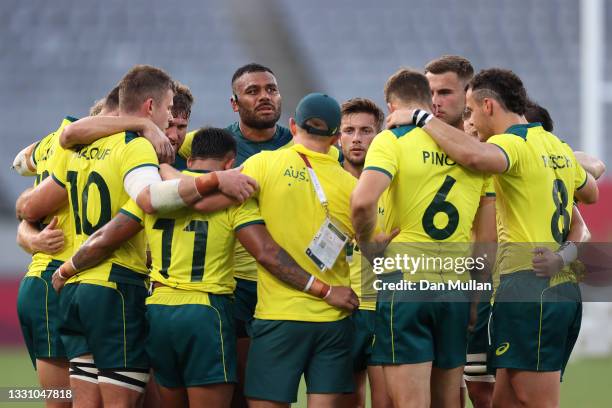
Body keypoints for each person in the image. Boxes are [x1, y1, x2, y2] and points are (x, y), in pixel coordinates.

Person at [16, 64, 256, 408]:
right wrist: (216, 182)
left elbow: (24, 165)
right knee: (83, 401)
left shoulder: (76, 144)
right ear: (148, 107)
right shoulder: (134, 147)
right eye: (168, 115)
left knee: (79, 400)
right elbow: (146, 201)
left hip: (72, 284)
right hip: (102, 282)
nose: (171, 131)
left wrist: (33, 231)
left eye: (180, 124)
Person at [386, 67, 598, 408]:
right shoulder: (554, 146)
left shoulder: (510, 143)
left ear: (488, 106)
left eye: (470, 111)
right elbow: (590, 193)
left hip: (530, 287)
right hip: (549, 287)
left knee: (535, 400)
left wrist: (420, 117)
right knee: (505, 400)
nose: (470, 121)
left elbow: (472, 155)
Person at [351, 69, 494, 408]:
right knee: (449, 400)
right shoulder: (471, 152)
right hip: (456, 289)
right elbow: (487, 242)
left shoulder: (392, 141)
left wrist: (368, 243)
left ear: (391, 106)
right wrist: (474, 297)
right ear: (430, 103)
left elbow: (361, 201)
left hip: (407, 284)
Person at [240, 93, 366, 408]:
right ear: (337, 137)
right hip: (334, 317)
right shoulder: (353, 188)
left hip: (278, 316)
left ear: (293, 125)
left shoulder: (262, 164)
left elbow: (220, 190)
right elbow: (373, 244)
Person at [338, 98, 392, 408]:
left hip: (384, 304)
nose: (357, 138)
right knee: (347, 401)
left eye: (366, 130)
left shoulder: (392, 184)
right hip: (343, 306)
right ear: (338, 136)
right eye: (349, 130)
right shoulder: (327, 184)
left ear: (379, 134)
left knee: (386, 402)